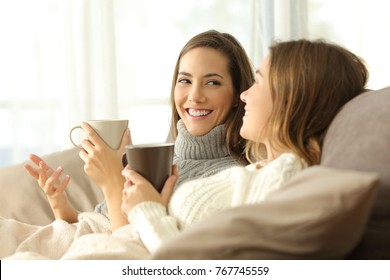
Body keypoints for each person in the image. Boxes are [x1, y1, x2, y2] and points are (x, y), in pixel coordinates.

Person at [1, 30, 254, 259]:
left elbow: (135, 258)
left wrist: (113, 182)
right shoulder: (161, 159)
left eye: (212, 82)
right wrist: (59, 202)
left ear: (237, 95)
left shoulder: (233, 178)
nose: (194, 96)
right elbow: (99, 232)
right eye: (185, 80)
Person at [114, 38, 368, 258]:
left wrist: (146, 210)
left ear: (289, 100)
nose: (244, 95)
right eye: (184, 80)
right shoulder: (265, 169)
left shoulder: (284, 177)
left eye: (258, 82)